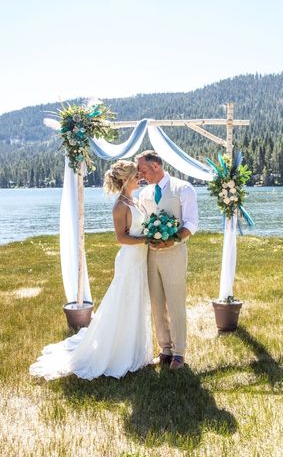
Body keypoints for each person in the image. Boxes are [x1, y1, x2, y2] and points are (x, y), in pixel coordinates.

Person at [29, 160, 153, 380]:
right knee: (124, 302)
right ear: (125, 180)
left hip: (140, 259)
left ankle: (136, 350)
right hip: (129, 260)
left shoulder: (134, 200)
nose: (139, 179)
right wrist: (148, 238)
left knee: (137, 302)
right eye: (135, 176)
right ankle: (119, 353)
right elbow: (121, 238)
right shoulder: (120, 206)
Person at [136, 150, 198, 370]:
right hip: (151, 255)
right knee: (156, 303)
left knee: (175, 302)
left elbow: (191, 224)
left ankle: (179, 352)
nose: (141, 176)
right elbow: (144, 221)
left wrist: (171, 240)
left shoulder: (183, 188)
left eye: (143, 170)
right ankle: (165, 349)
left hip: (174, 253)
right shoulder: (144, 193)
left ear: (156, 166)